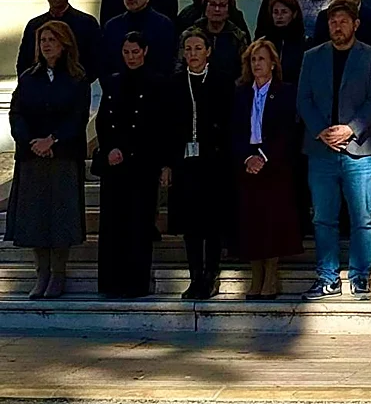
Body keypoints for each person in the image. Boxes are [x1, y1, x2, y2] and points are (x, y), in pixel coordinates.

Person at [297, 0, 371, 301]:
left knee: (362, 217)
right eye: (333, 22)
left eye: (343, 21)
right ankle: (327, 277)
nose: (338, 26)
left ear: (355, 24)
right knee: (323, 218)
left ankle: (360, 276)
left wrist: (350, 129)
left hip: (358, 149)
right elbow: (304, 99)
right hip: (321, 149)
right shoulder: (312, 57)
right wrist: (321, 131)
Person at [5, 21, 91, 299]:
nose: (46, 45)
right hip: (32, 157)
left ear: (64, 44)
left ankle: (57, 273)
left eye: (52, 40)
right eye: (43, 40)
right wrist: (31, 141)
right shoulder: (29, 77)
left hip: (63, 155)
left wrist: (53, 140)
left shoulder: (77, 78)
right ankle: (41, 272)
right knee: (35, 217)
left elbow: (78, 116)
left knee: (60, 216)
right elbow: (17, 113)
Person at [95, 31, 167, 298]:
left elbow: (158, 126)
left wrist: (133, 152)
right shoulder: (113, 82)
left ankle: (136, 283)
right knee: (113, 225)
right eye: (126, 52)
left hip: (142, 164)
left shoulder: (157, 83)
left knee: (138, 225)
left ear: (145, 51)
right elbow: (103, 121)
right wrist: (110, 148)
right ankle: (111, 283)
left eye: (135, 52)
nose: (131, 57)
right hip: (114, 165)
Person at [232, 38, 303, 299]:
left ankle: (271, 277)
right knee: (250, 221)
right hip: (247, 163)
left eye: (261, 59)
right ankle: (256, 275)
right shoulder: (241, 93)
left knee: (272, 221)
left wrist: (264, 156)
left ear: (273, 63)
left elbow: (288, 130)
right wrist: (247, 157)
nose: (257, 64)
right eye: (253, 60)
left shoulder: (285, 91)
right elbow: (233, 130)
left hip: (275, 164)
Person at [166, 29, 235, 299]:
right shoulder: (174, 83)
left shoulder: (222, 81)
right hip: (185, 163)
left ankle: (211, 274)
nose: (192, 54)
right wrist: (167, 163)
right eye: (188, 49)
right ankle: (195, 276)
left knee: (212, 222)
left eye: (198, 48)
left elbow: (230, 123)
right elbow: (167, 126)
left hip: (215, 162)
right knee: (190, 223)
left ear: (208, 51)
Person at [16, 0, 101, 81]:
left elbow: (96, 61)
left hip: (76, 85)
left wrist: (81, 83)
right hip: (41, 86)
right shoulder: (34, 25)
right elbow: (24, 62)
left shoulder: (87, 23)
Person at [100, 0, 177, 81]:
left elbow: (167, 62)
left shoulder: (163, 24)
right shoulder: (112, 26)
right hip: (119, 85)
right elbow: (106, 62)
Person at [184, 0, 249, 81]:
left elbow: (245, 69)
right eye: (213, 4)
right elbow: (179, 63)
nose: (217, 9)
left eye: (222, 5)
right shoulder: (190, 35)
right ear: (205, 8)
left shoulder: (238, 37)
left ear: (229, 11)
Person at [257, 0, 307, 83]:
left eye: (284, 12)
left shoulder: (305, 43)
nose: (279, 16)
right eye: (275, 12)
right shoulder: (263, 43)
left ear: (294, 14)